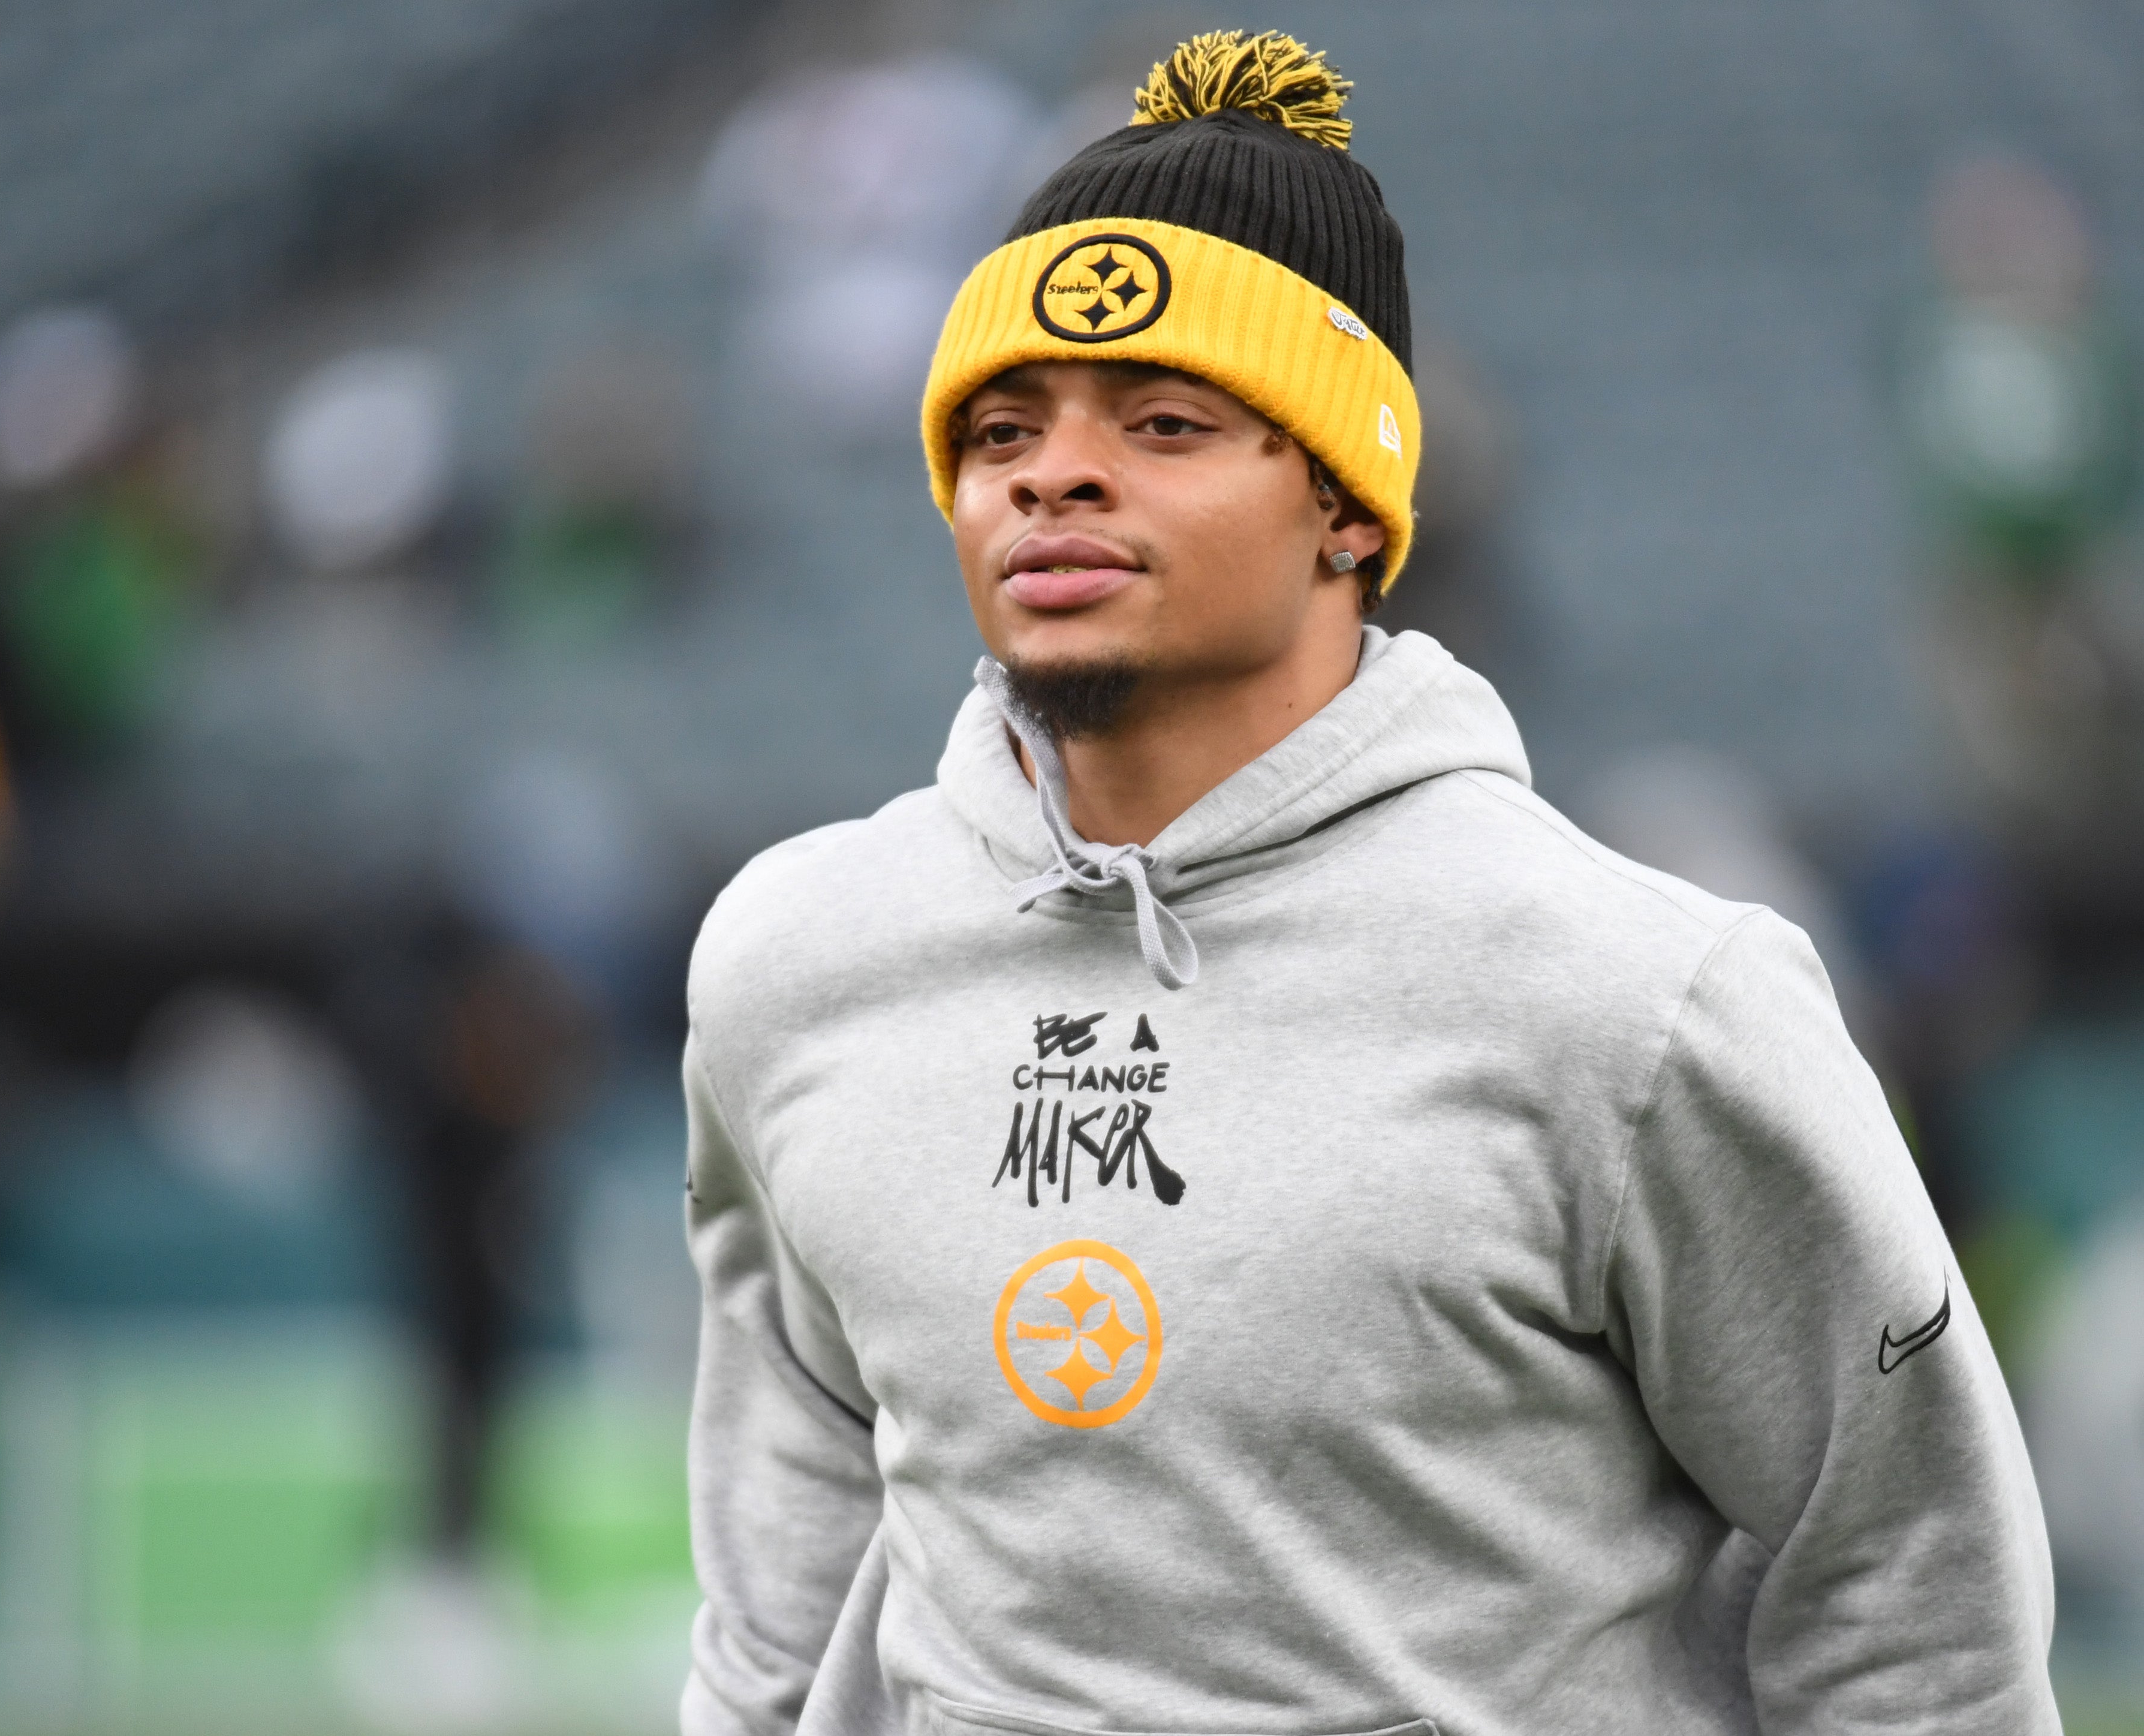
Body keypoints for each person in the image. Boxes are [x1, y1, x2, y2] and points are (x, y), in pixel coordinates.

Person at [679, 31, 2056, 1736]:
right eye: (1001, 428)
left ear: (1347, 504)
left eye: (1167, 421)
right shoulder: (796, 960)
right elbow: (779, 1593)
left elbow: (1915, 1611)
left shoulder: (1640, 997)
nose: (1052, 475)